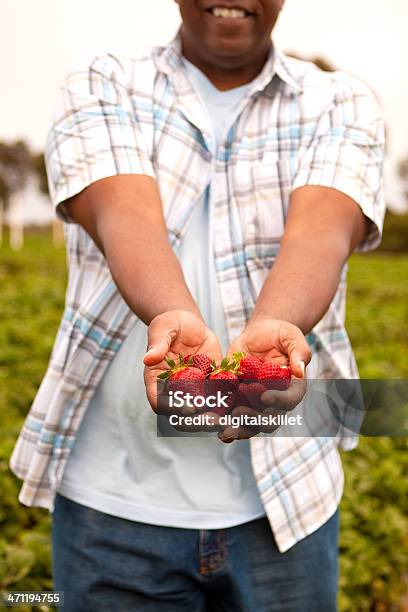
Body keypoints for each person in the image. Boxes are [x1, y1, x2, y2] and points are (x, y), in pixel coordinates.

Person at [10, 1, 385, 610]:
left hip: (288, 503)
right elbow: (122, 213)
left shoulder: (339, 102)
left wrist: (278, 325)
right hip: (112, 510)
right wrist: (169, 311)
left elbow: (322, 230)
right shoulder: (104, 80)